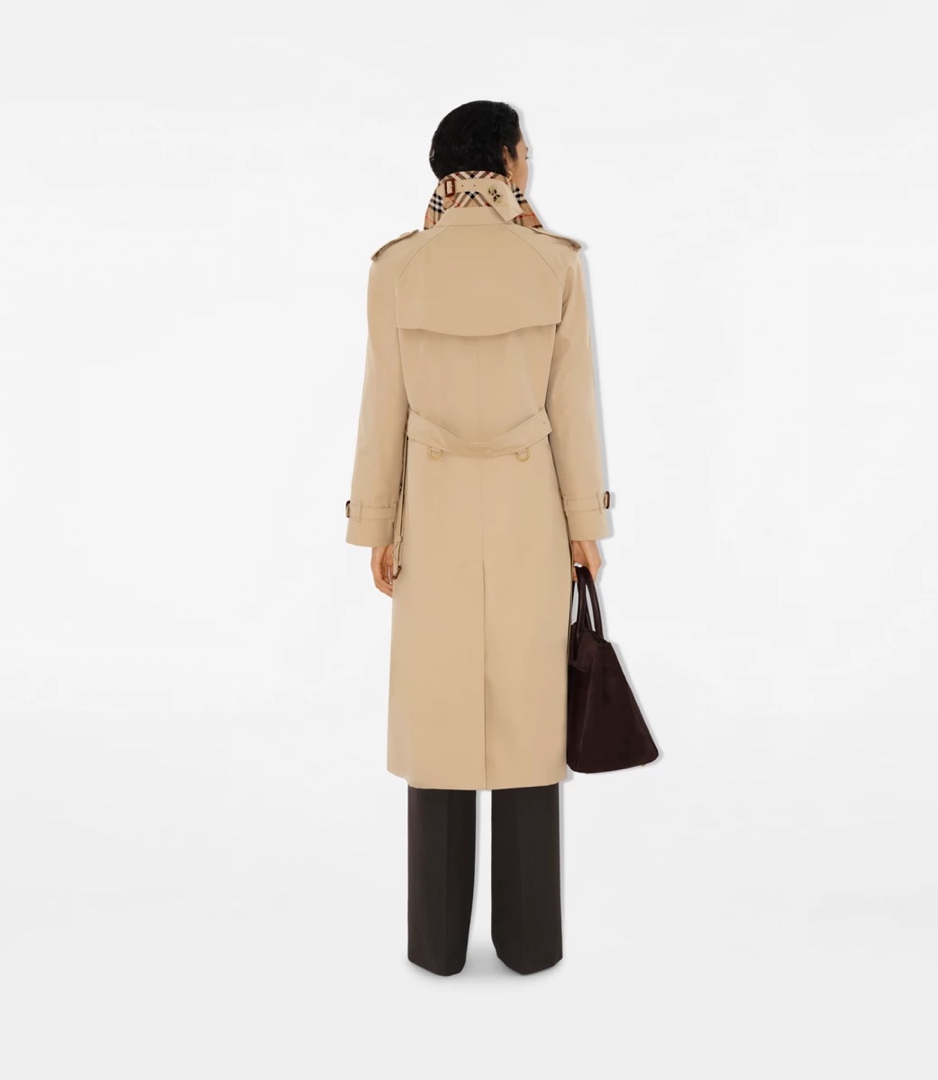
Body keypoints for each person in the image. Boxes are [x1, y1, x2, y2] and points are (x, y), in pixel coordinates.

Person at [344, 100, 612, 975]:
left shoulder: (398, 267)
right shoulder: (555, 262)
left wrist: (375, 521)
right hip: (532, 508)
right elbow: (574, 406)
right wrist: (585, 522)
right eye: (525, 150)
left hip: (433, 510)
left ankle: (436, 945)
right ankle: (530, 942)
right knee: (530, 713)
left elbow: (383, 403)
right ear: (505, 159)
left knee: (440, 711)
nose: (530, 162)